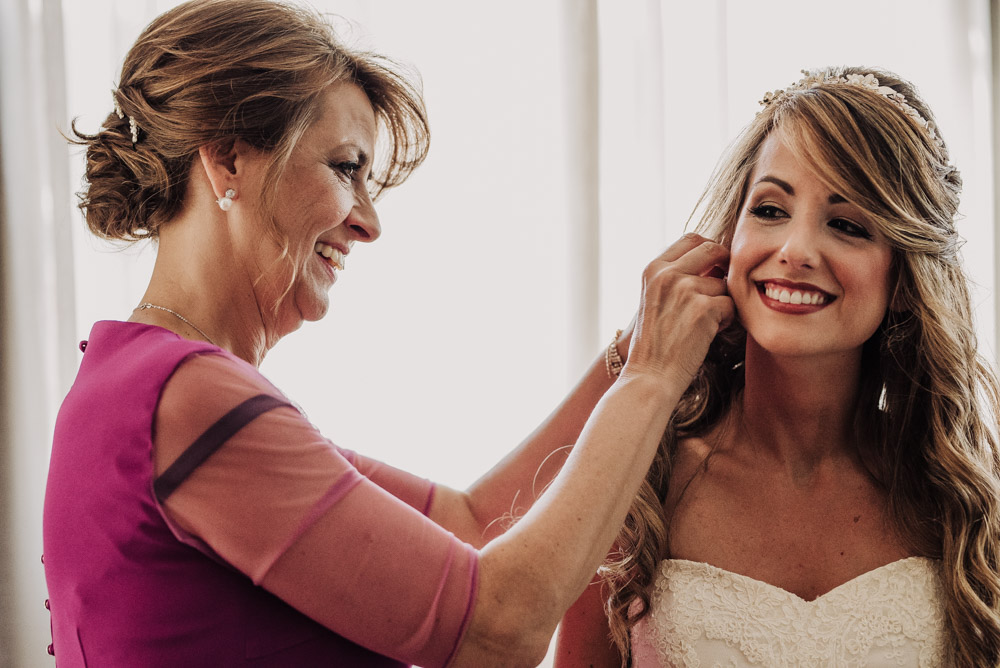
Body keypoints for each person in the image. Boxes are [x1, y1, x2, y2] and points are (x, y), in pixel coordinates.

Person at [41, 1, 735, 666]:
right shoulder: (190, 400)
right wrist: (652, 379)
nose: (369, 222)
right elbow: (497, 632)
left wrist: (632, 348)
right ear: (228, 161)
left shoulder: (140, 384)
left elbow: (472, 525)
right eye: (346, 169)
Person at [554, 66, 1000, 668]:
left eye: (846, 225)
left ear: (902, 280)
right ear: (731, 238)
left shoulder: (959, 502)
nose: (793, 250)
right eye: (769, 209)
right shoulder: (636, 484)